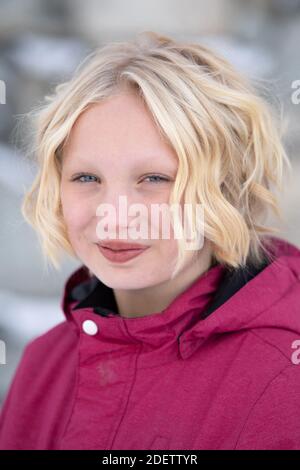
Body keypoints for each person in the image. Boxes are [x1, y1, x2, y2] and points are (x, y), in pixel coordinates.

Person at [0, 31, 299, 450]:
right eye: (87, 178)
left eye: (154, 179)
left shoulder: (283, 376)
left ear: (225, 189)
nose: (115, 215)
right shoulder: (44, 364)